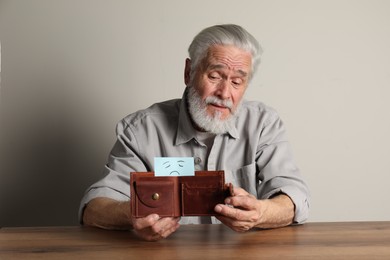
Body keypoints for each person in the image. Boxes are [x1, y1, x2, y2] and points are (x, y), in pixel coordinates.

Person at [79, 24, 310, 241]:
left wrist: (261, 212)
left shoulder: (263, 124)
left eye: (237, 82)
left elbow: (295, 198)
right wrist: (133, 215)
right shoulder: (141, 129)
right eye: (215, 76)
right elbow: (94, 208)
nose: (224, 93)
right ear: (189, 72)